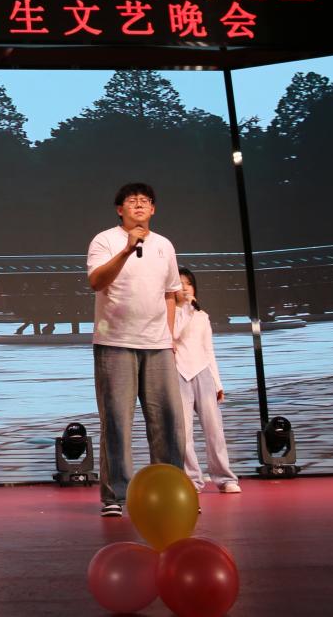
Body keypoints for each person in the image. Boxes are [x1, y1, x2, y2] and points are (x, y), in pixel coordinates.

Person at [86, 183, 186, 518]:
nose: (139, 205)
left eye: (145, 201)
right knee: (116, 421)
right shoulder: (105, 240)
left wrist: (168, 336)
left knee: (168, 422)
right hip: (115, 344)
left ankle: (171, 491)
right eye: (132, 201)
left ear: (153, 209)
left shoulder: (165, 245)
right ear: (120, 210)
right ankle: (116, 495)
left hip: (157, 345)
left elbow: (170, 293)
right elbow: (97, 281)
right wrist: (127, 250)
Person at [174, 268, 241, 494]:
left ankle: (225, 478)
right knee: (184, 433)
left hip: (202, 372)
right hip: (179, 373)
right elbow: (174, 333)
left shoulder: (202, 316)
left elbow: (208, 350)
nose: (185, 288)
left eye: (188, 283)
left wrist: (218, 383)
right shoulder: (170, 314)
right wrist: (185, 308)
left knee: (214, 430)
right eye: (180, 283)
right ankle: (192, 480)